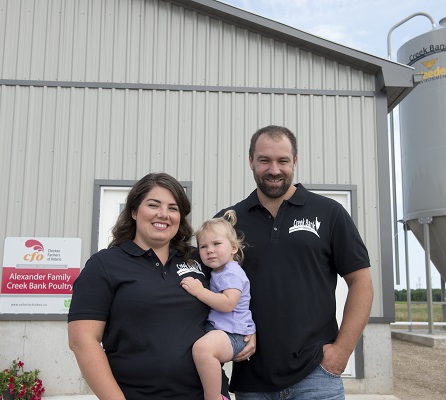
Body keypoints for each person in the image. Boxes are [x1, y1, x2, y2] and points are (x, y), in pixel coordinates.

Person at [219, 125, 374, 400]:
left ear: (295, 161)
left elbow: (361, 281)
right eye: (264, 160)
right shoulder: (229, 222)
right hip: (251, 378)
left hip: (316, 375)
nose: (274, 170)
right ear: (251, 161)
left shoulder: (329, 213)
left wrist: (342, 351)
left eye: (283, 161)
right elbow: (208, 288)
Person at [68, 172, 230, 400]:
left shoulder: (200, 260)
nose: (164, 214)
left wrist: (247, 334)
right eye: (154, 205)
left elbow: (235, 296)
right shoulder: (104, 265)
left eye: (173, 208)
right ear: (134, 211)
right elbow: (82, 341)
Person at [180, 210, 256, 400]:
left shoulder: (231, 273)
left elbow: (228, 304)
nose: (209, 250)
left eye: (216, 244)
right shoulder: (219, 270)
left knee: (203, 349)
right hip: (222, 329)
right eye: (203, 246)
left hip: (234, 334)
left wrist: (199, 291)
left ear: (233, 248)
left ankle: (214, 397)